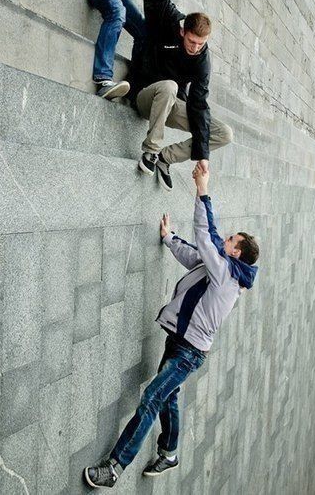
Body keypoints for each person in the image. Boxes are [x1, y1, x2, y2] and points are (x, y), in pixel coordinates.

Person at [84, 165, 259, 488]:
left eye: (231, 239)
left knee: (152, 397)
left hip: (189, 352)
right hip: (181, 341)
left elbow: (206, 237)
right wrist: (169, 239)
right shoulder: (220, 267)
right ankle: (170, 452)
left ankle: (114, 468)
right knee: (168, 396)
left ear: (236, 252)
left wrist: (202, 189)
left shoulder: (226, 275)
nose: (226, 237)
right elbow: (195, 255)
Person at [130, 0, 234, 191]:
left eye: (201, 44)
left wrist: (202, 155)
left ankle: (165, 158)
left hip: (170, 105)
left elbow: (199, 103)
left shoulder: (203, 61)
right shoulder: (171, 23)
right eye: (192, 42)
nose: (195, 48)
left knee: (224, 133)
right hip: (145, 96)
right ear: (182, 32)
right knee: (169, 86)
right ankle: (151, 150)